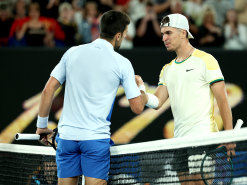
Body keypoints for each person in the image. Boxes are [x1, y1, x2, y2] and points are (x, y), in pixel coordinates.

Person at [35, 10, 144, 185]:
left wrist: (41, 127)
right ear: (118, 35)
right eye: (124, 34)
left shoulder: (72, 53)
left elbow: (48, 90)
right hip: (94, 140)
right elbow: (138, 107)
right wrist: (142, 89)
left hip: (67, 138)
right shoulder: (122, 63)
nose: (123, 38)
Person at [135, 13, 235, 185]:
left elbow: (222, 100)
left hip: (203, 136)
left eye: (168, 33)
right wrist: (141, 93)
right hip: (180, 141)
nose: (164, 38)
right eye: (163, 34)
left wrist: (229, 135)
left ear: (183, 33)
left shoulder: (206, 60)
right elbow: (157, 102)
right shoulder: (167, 69)